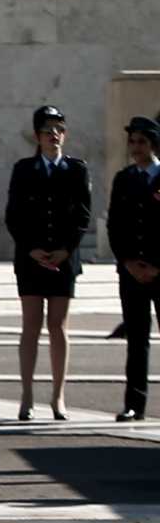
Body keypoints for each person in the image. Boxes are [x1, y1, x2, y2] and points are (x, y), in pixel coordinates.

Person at [4, 103, 91, 419]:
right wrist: (31, 249)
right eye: (47, 131)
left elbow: (82, 215)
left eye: (58, 130)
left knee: (58, 326)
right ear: (37, 136)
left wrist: (67, 249)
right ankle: (26, 396)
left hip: (64, 257)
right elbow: (14, 215)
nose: (53, 135)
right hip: (31, 258)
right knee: (31, 325)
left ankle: (58, 397)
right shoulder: (24, 169)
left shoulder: (77, 169)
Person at [107, 116, 160, 421]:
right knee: (136, 340)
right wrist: (128, 262)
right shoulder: (124, 179)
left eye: (141, 141)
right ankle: (134, 403)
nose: (135, 147)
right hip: (131, 273)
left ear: (153, 144)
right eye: (132, 141)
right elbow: (116, 226)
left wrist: (157, 266)